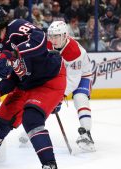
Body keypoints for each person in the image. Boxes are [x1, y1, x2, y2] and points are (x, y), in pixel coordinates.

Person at [0, 5, 66, 169]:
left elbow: (40, 39)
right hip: (24, 84)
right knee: (1, 122)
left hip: (48, 80)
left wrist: (12, 54)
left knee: (31, 119)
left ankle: (49, 165)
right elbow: (9, 78)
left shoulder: (17, 26)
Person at [47, 21, 95, 152]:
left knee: (80, 97)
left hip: (82, 75)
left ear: (64, 36)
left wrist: (59, 97)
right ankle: (34, 127)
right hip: (61, 72)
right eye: (51, 36)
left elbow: (73, 81)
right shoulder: (49, 44)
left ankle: (86, 133)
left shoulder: (74, 51)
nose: (52, 39)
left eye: (56, 36)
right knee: (44, 99)